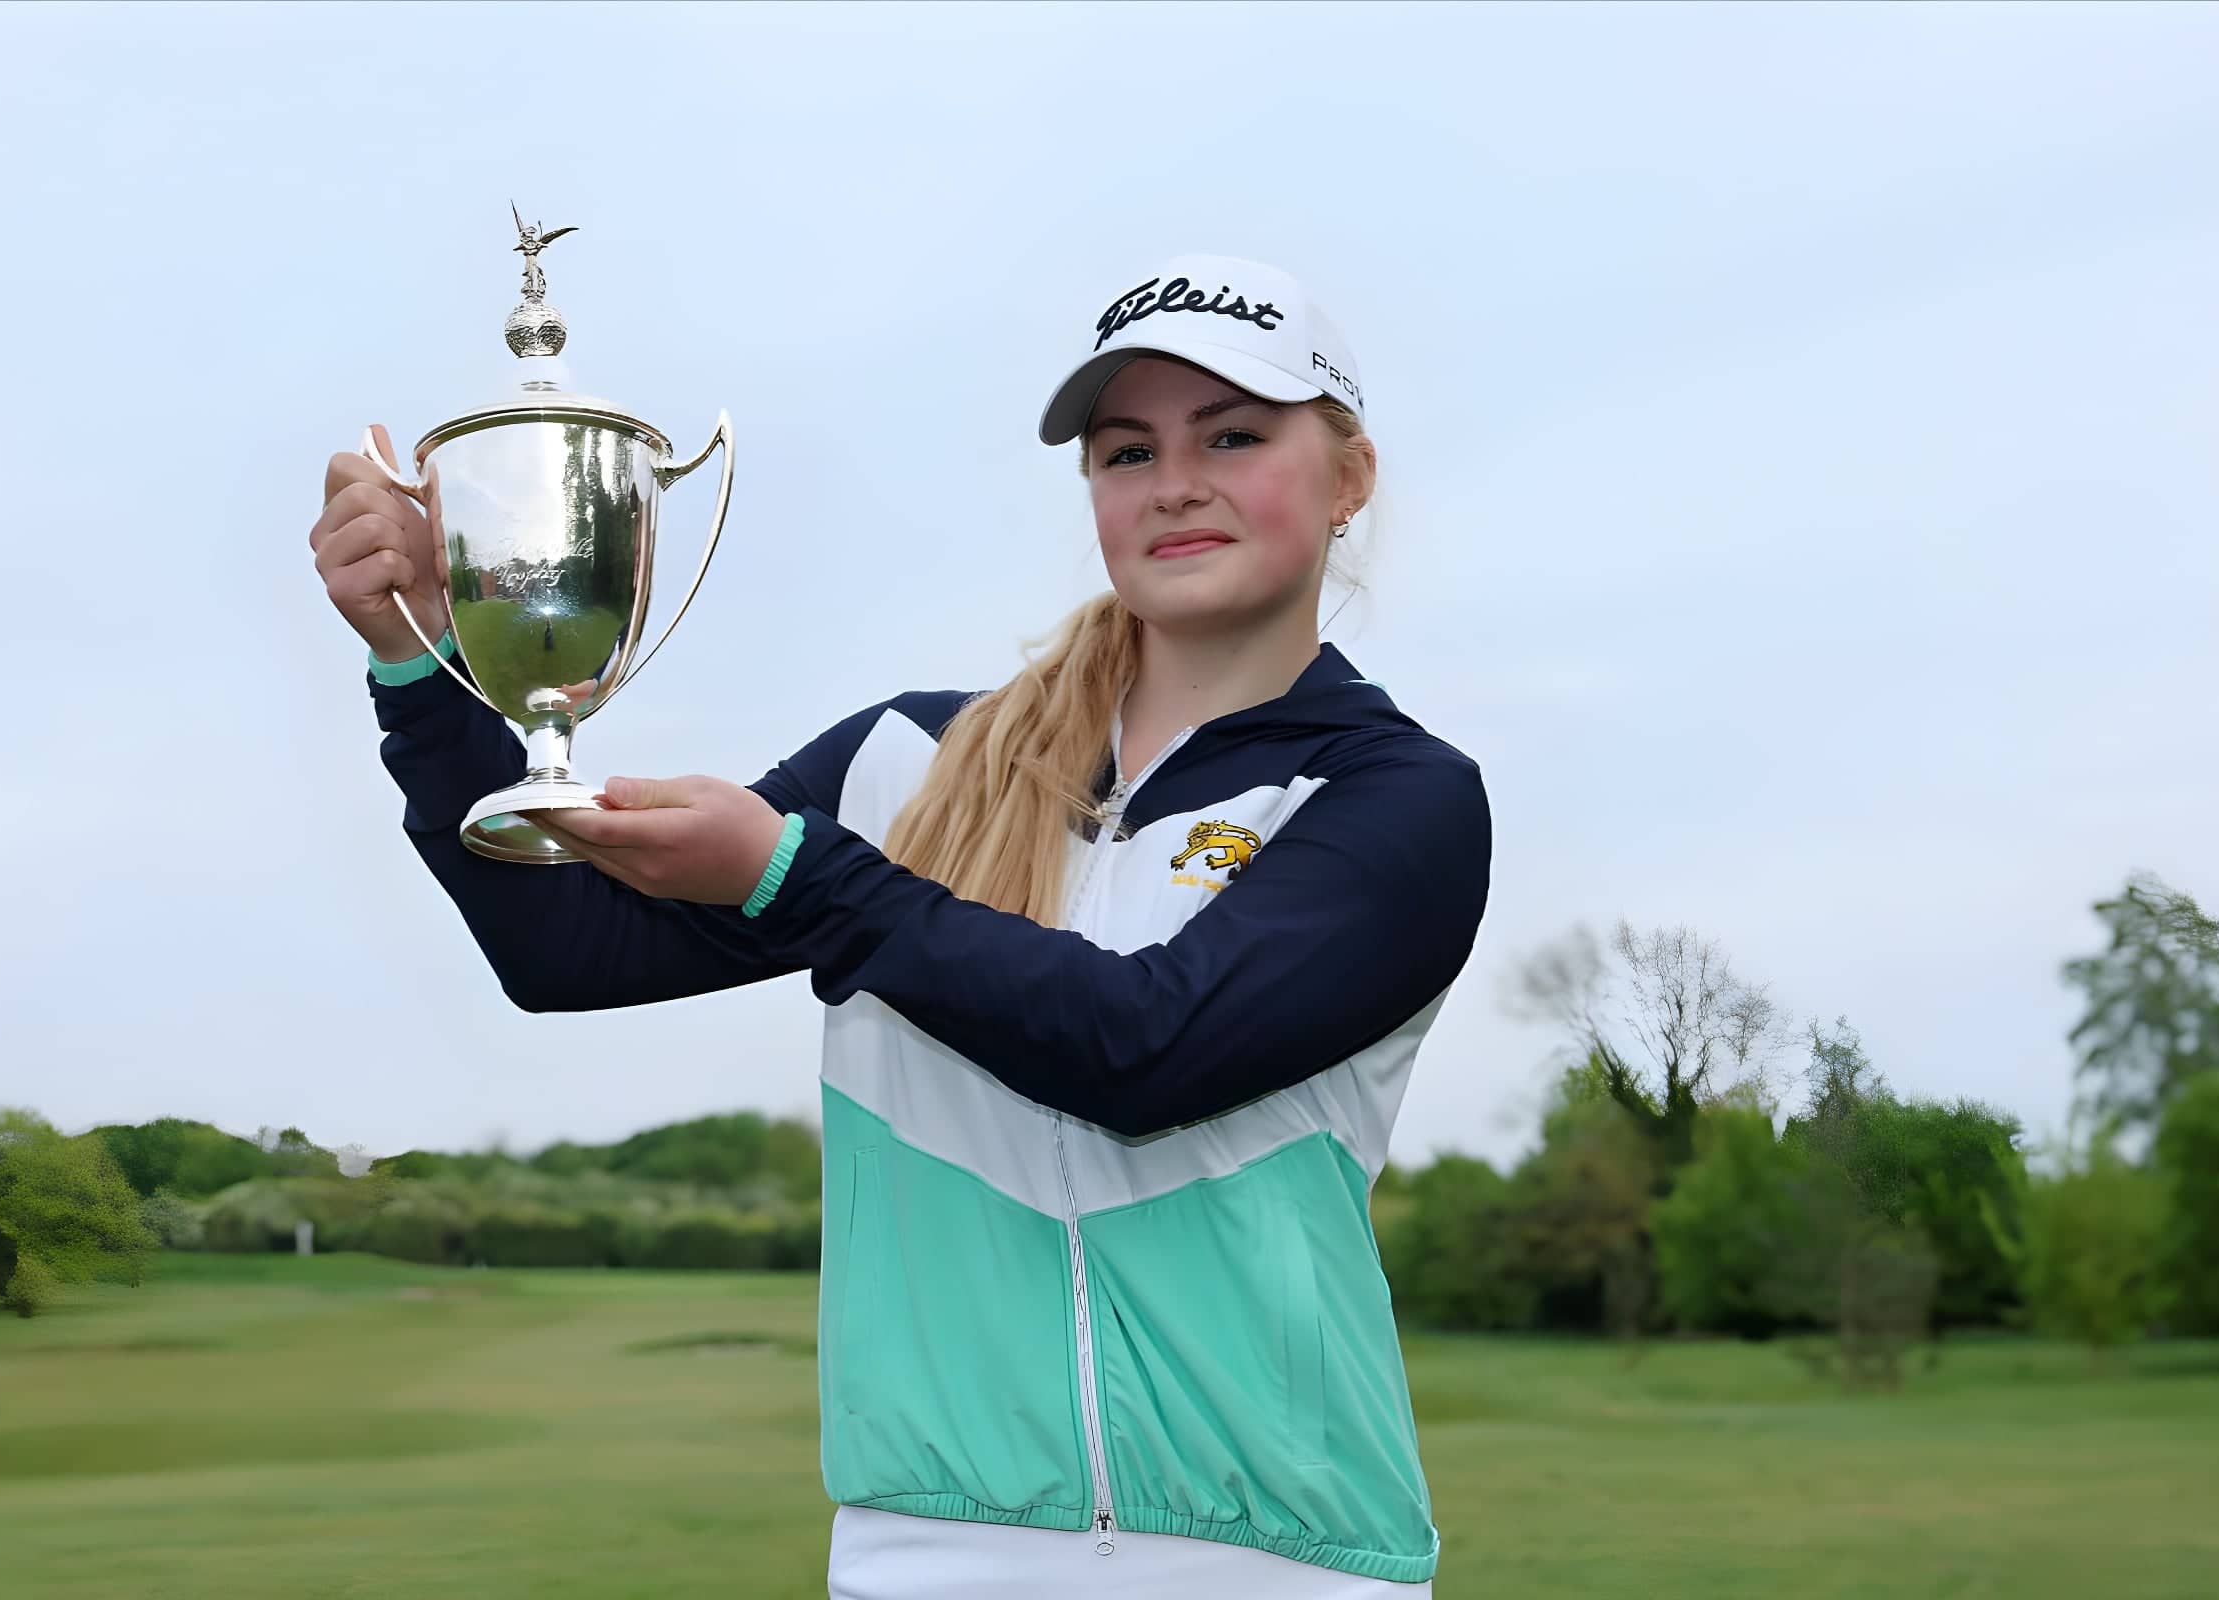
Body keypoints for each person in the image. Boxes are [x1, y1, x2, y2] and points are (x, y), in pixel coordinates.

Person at [310, 254, 1493, 1599]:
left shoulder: (1399, 799)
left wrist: (794, 879)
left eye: (1234, 435)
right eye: (1126, 451)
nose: (1175, 483)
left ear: (1349, 478)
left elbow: (1148, 1051)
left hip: (1277, 1560)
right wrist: (420, 665)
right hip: (926, 1553)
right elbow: (569, 951)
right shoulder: (907, 759)